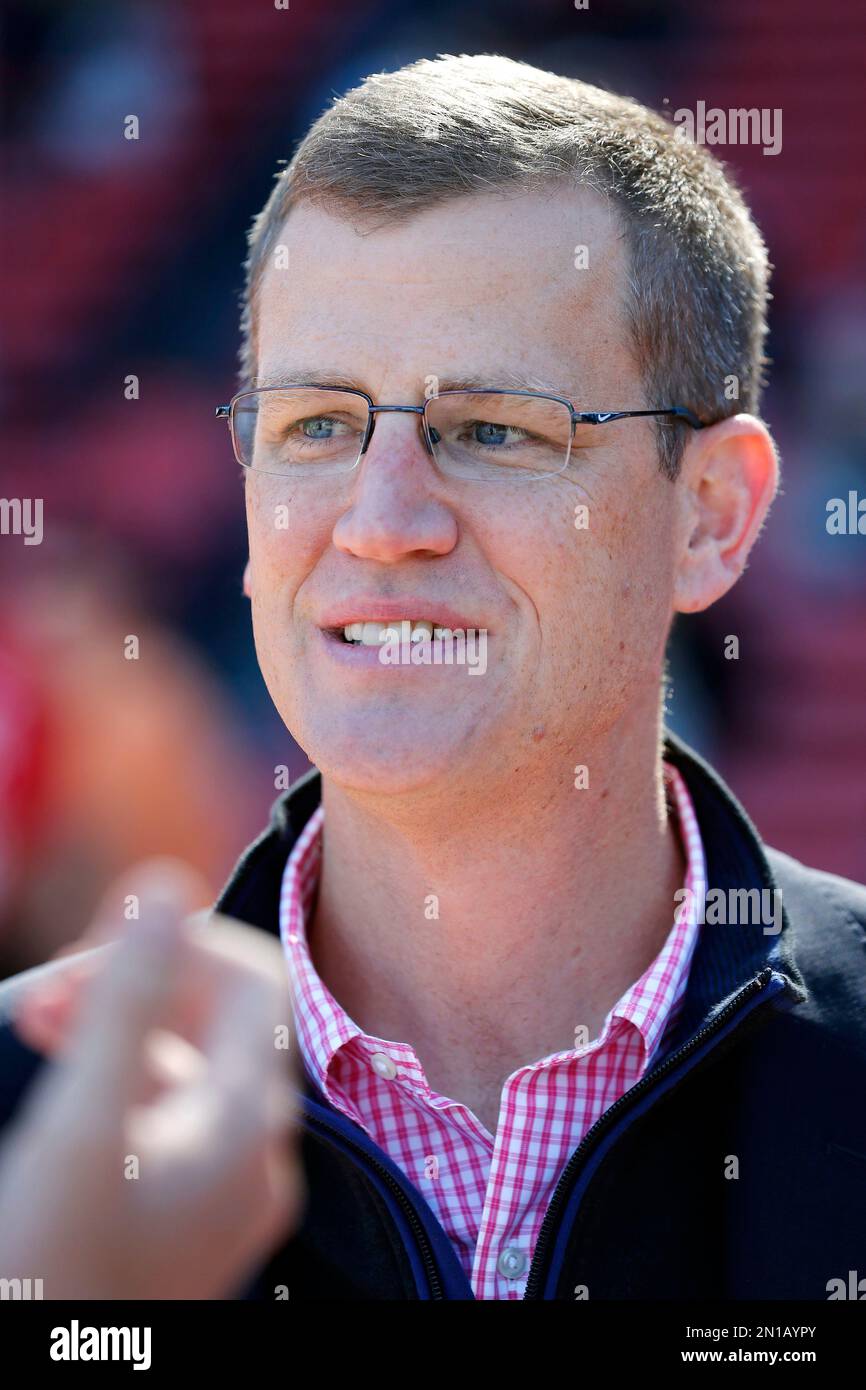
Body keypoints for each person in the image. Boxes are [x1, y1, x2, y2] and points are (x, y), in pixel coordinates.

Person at [1, 53, 864, 1301]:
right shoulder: (28, 1136)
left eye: (493, 430)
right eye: (316, 427)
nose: (379, 518)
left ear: (711, 516)